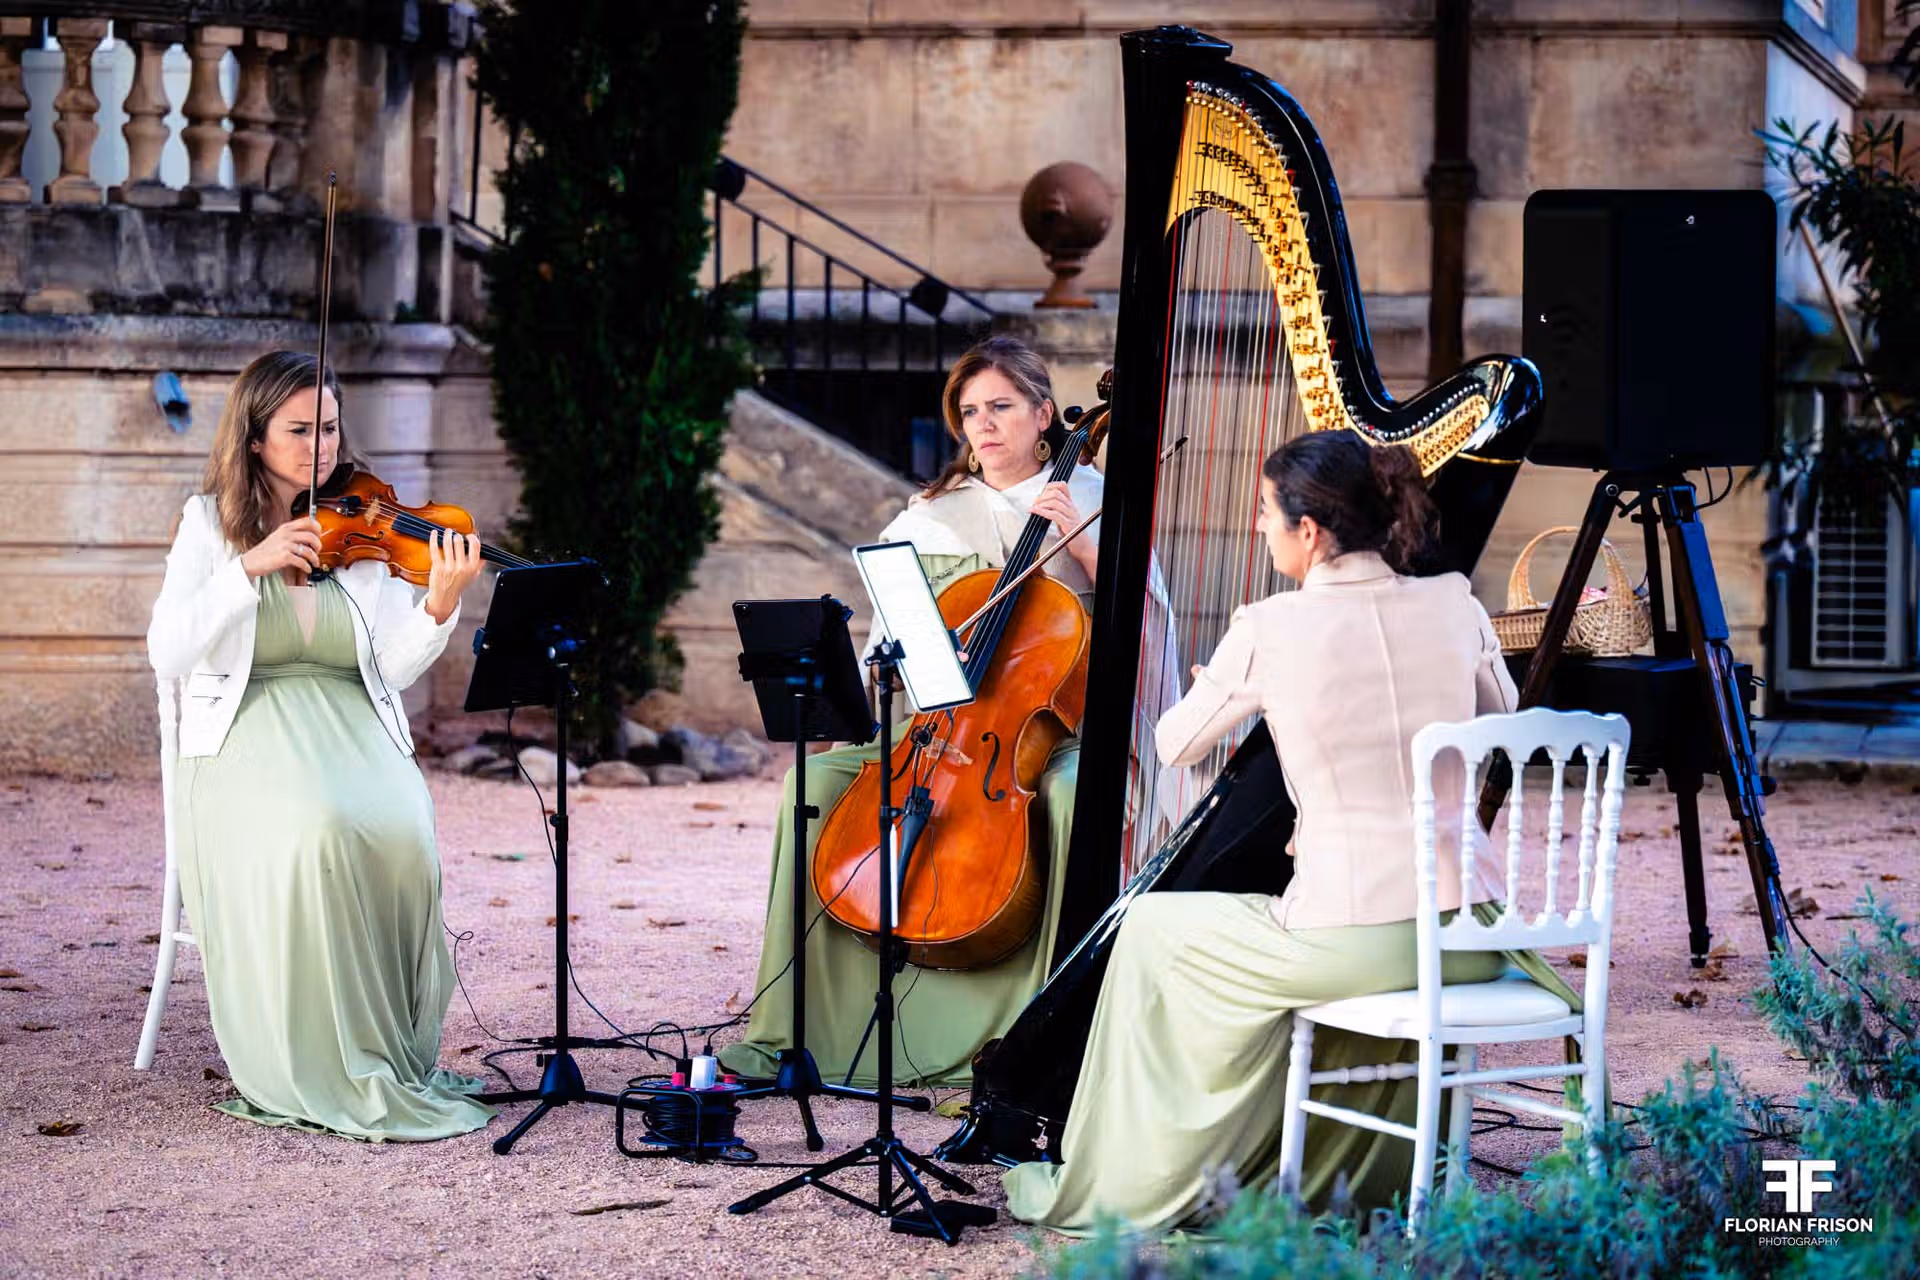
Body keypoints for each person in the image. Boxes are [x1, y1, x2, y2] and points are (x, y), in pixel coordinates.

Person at [1003, 429, 1582, 1234]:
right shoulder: (1453, 599)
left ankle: (1138, 1176)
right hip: (1469, 928)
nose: (1258, 529)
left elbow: (1174, 743)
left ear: (1309, 531)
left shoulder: (1271, 626)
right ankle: (1345, 1165)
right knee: (1245, 933)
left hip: (1355, 936)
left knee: (1148, 927)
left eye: (1266, 513)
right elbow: (1502, 721)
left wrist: (1223, 681)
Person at [718, 336, 1101, 1088]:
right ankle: (800, 1026)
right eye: (969, 412)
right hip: (936, 732)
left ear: (1045, 414)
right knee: (814, 786)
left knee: (1071, 793)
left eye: (1000, 408)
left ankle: (1027, 1042)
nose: (983, 426)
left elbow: (1150, 622)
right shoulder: (930, 514)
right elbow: (885, 636)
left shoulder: (1090, 502)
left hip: (1044, 734)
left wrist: (1080, 550)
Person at [147, 350, 491, 1141]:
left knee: (406, 832)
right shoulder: (209, 523)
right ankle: (318, 1057)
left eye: (330, 428)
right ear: (255, 437)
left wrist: (438, 609)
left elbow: (388, 667)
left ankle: (393, 1050)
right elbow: (169, 649)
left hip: (348, 716)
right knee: (323, 829)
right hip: (244, 726)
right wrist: (250, 568)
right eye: (300, 430)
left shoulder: (363, 521)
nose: (320, 448)